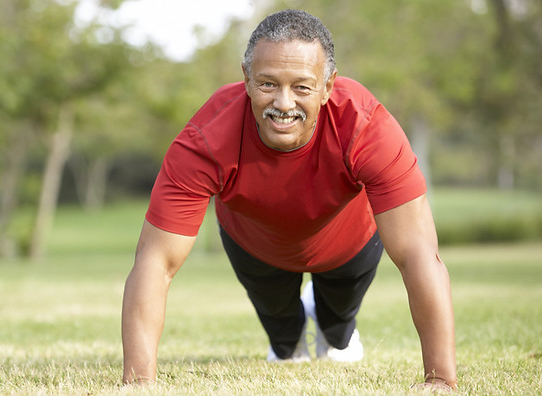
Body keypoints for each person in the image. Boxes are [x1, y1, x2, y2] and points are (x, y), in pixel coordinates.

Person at [121, 9, 457, 391]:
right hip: (255, 245)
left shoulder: (366, 128)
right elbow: (156, 261)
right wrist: (138, 383)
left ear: (329, 86)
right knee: (284, 343)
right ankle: (290, 335)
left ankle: (338, 332)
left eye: (301, 86)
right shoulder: (206, 139)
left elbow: (418, 254)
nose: (283, 103)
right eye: (267, 84)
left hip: (348, 243)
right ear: (246, 80)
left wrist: (441, 381)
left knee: (337, 330)